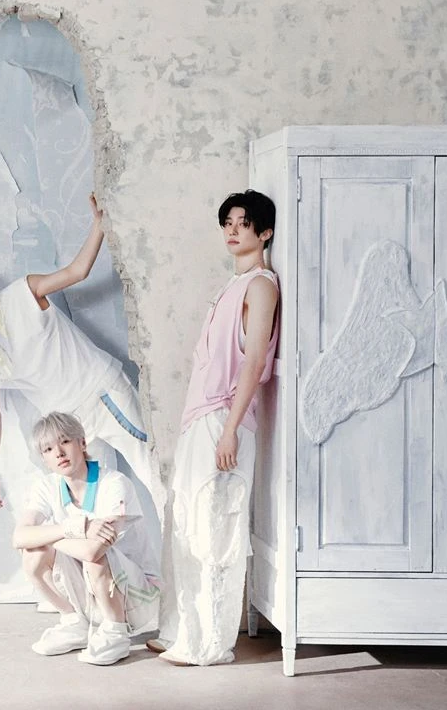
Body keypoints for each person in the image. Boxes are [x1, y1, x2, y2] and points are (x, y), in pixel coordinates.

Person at [0, 195, 163, 581]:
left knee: (154, 477)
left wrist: (99, 225)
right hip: (70, 426)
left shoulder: (23, 293)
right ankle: (124, 591)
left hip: (102, 393)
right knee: (92, 507)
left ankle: (190, 575)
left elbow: (78, 271)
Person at [152, 189, 280, 666]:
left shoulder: (261, 286)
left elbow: (254, 361)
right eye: (227, 223)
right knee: (188, 523)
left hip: (225, 418)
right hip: (201, 417)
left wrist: (229, 429)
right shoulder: (233, 285)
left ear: (264, 232)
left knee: (215, 526)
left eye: (243, 223)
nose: (232, 230)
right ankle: (184, 632)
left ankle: (210, 644)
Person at [13, 412, 161, 665]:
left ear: (82, 443)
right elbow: (19, 536)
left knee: (94, 556)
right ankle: (74, 621)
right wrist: (75, 527)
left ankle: (115, 631)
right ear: (44, 458)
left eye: (64, 441)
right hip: (89, 589)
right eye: (48, 449)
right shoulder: (47, 486)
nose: (59, 453)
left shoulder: (113, 483)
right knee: (33, 553)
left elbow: (93, 551)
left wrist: (47, 535)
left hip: (136, 592)